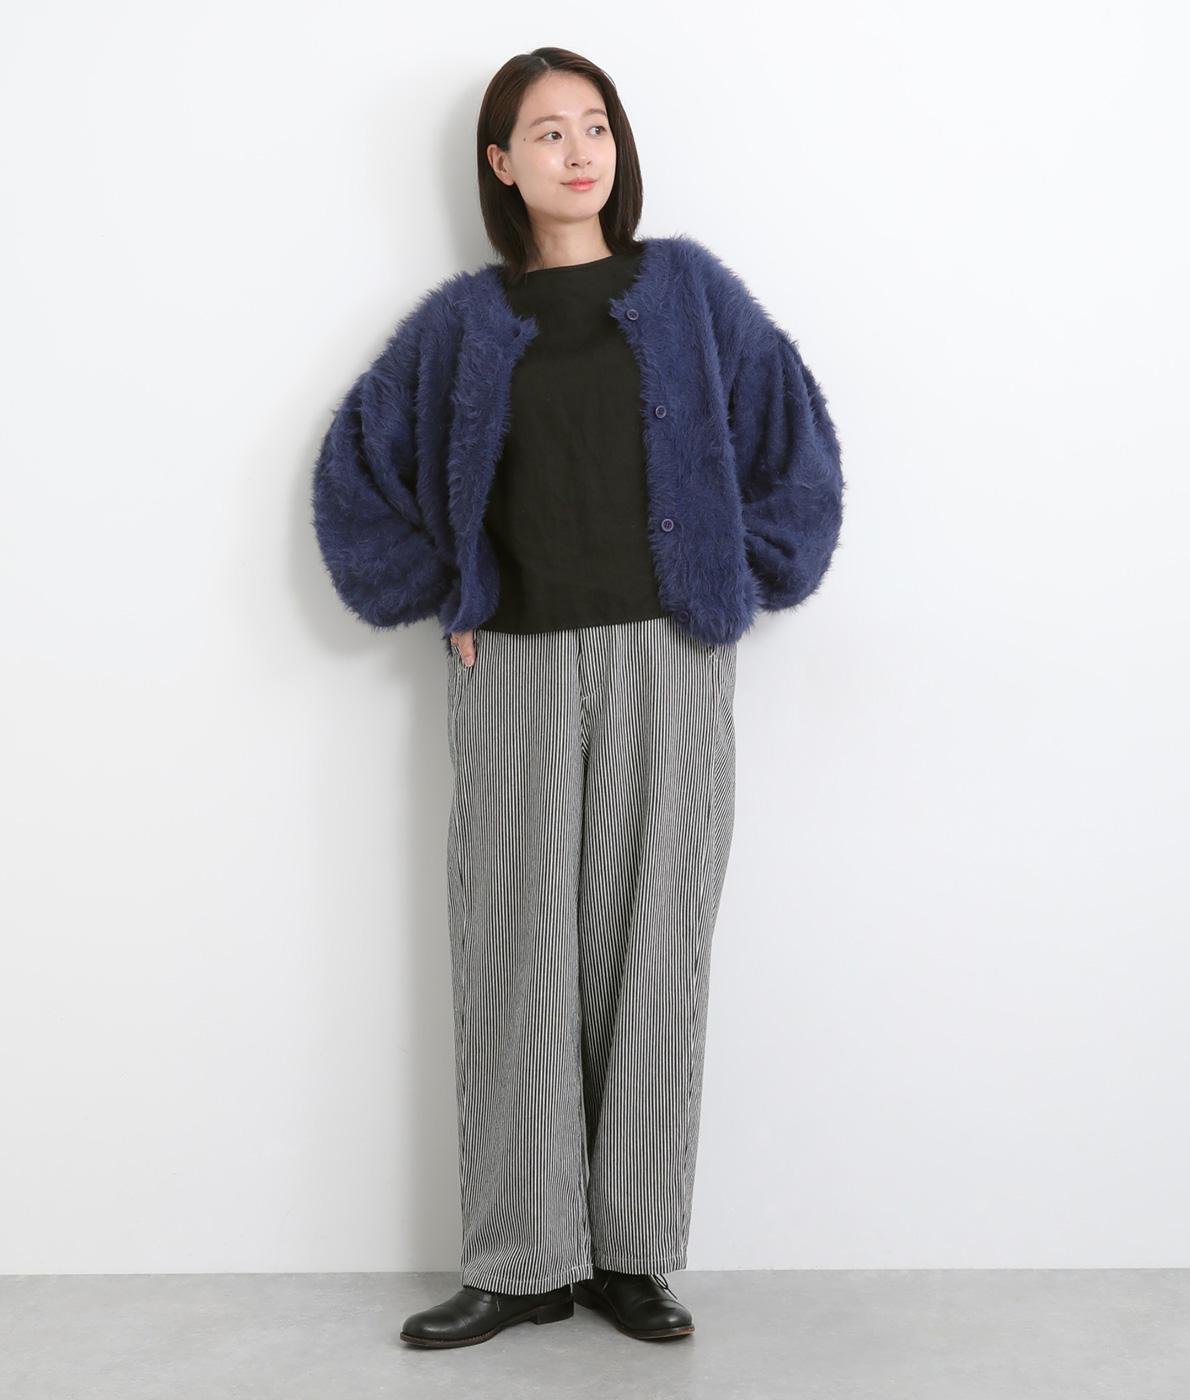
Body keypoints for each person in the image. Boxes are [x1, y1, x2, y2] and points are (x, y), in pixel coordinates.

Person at [311, 46, 845, 1350]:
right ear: (501, 163)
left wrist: (739, 571)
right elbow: (357, 467)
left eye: (594, 125)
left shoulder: (692, 293)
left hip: (674, 661)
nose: (577, 150)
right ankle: (519, 1259)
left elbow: (798, 447)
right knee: (513, 952)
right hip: (513, 665)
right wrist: (440, 586)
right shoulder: (461, 325)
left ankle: (632, 1258)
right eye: (546, 132)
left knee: (655, 954)